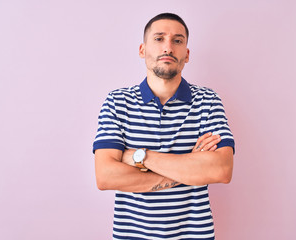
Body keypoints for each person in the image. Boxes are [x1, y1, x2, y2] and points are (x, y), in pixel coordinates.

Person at [93, 13, 235, 240]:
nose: (168, 47)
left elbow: (221, 170)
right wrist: (190, 169)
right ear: (142, 50)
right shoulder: (117, 102)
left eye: (177, 41)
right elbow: (106, 176)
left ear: (186, 54)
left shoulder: (208, 100)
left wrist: (141, 157)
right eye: (159, 39)